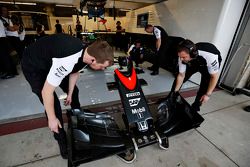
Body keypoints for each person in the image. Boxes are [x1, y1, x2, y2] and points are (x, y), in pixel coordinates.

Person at [21, 34, 114, 159]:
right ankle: (63, 144)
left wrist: (69, 93)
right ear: (93, 60)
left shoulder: (88, 52)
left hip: (52, 59)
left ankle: (77, 118)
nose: (102, 69)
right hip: (34, 65)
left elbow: (75, 71)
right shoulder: (67, 60)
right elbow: (46, 92)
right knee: (53, 107)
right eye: (102, 66)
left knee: (74, 91)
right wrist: (52, 119)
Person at [171, 39, 222, 112]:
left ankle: (196, 106)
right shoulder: (183, 56)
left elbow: (214, 77)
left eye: (183, 57)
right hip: (194, 61)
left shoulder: (211, 56)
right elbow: (181, 75)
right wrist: (175, 92)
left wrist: (208, 95)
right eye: (180, 57)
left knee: (204, 86)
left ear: (192, 54)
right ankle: (171, 97)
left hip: (207, 64)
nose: (181, 59)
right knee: (178, 79)